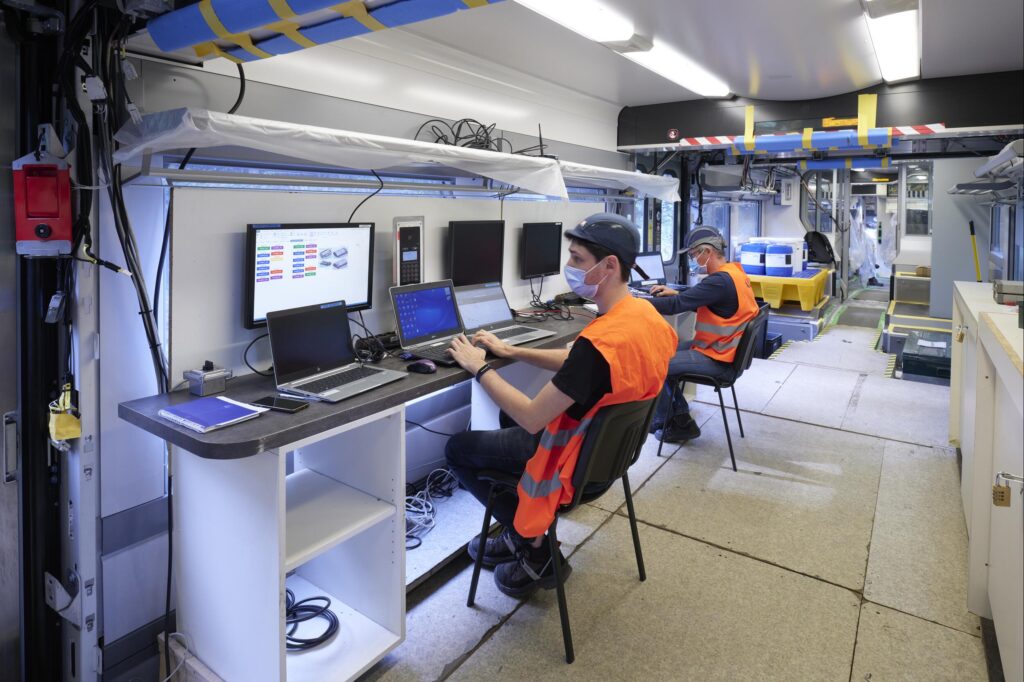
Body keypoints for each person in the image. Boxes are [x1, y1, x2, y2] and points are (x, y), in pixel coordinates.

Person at [445, 213, 678, 598]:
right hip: (607, 458)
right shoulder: (642, 316)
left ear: (609, 266)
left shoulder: (599, 343)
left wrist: (479, 366)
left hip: (565, 458)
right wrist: (510, 350)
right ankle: (523, 527)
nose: (568, 268)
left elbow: (533, 417)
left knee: (458, 449)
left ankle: (532, 546)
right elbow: (579, 364)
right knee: (504, 416)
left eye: (576, 259)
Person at [647, 226, 759, 443]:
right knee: (662, 350)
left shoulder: (717, 281)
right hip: (726, 353)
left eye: (693, 254)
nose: (693, 259)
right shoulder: (734, 274)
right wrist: (679, 293)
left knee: (652, 362)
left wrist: (633, 303)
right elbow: (713, 301)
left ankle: (678, 423)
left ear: (707, 252)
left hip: (718, 360)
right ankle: (675, 414)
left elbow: (676, 305)